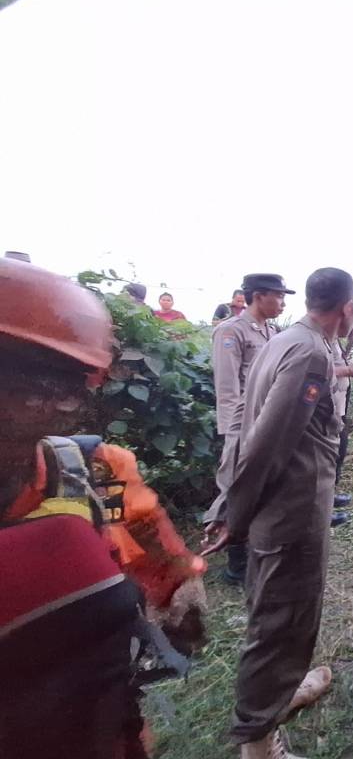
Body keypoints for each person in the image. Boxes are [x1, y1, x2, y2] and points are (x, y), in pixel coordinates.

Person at [0, 258, 207, 758]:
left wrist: (183, 586)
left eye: (58, 389)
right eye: (19, 382)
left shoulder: (96, 471)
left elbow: (156, 550)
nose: (36, 406)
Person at [202, 267, 353, 759]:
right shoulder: (310, 352)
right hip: (291, 515)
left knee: (279, 616)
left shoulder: (288, 338)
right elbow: (267, 443)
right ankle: (259, 743)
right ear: (348, 308)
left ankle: (279, 694)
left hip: (288, 509)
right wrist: (233, 511)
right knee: (280, 625)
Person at [203, 273, 292, 584]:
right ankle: (235, 562)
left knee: (263, 486)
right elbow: (226, 387)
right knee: (234, 485)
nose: (282, 303)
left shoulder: (272, 331)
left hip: (267, 421)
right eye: (277, 296)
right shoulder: (231, 331)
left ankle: (253, 548)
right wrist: (234, 434)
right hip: (242, 423)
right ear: (257, 296)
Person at [330, 323, 353, 526]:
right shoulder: (319, 340)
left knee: (338, 455)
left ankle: (328, 499)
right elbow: (319, 369)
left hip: (339, 408)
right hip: (329, 412)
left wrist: (351, 338)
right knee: (329, 459)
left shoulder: (335, 340)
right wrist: (348, 370)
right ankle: (323, 508)